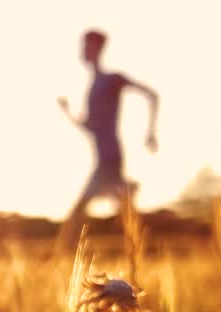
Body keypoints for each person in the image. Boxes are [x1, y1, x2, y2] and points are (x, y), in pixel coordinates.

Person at [57, 29, 159, 248]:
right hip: (104, 156)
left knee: (78, 212)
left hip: (110, 157)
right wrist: (68, 113)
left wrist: (150, 132)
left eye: (85, 45)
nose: (82, 50)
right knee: (124, 213)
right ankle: (143, 246)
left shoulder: (112, 80)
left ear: (95, 48)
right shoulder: (93, 87)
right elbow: (92, 128)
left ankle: (62, 258)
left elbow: (152, 95)